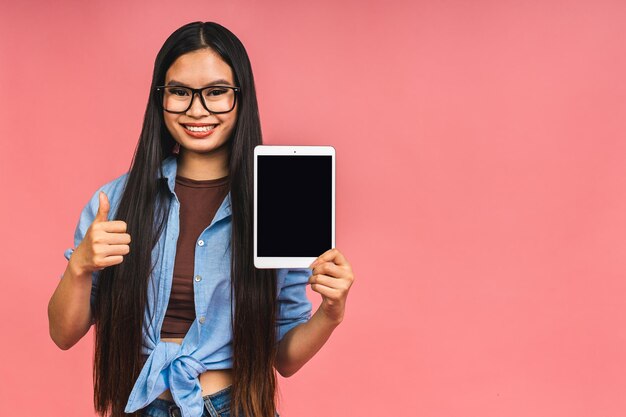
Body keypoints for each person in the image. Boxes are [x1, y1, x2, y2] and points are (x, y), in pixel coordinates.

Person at [47, 21, 355, 417]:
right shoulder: (118, 200)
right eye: (179, 92)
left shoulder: (279, 204)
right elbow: (62, 334)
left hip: (237, 406)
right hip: (141, 407)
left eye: (216, 93)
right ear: (160, 98)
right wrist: (79, 268)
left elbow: (285, 358)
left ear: (241, 97)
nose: (197, 109)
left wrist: (331, 313)